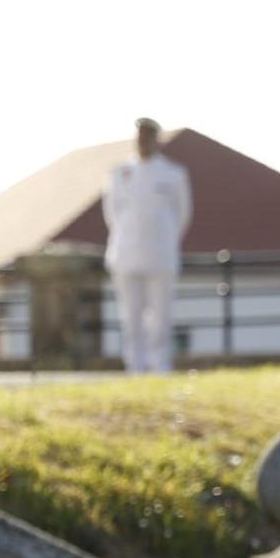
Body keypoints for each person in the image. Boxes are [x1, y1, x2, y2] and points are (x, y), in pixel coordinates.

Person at [102, 117, 192, 374]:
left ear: (156, 139)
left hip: (161, 254)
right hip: (126, 254)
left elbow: (182, 213)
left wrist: (166, 240)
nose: (142, 141)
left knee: (160, 315)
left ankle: (160, 365)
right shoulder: (119, 173)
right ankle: (135, 366)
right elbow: (113, 213)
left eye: (147, 136)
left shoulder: (173, 174)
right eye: (139, 135)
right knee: (131, 316)